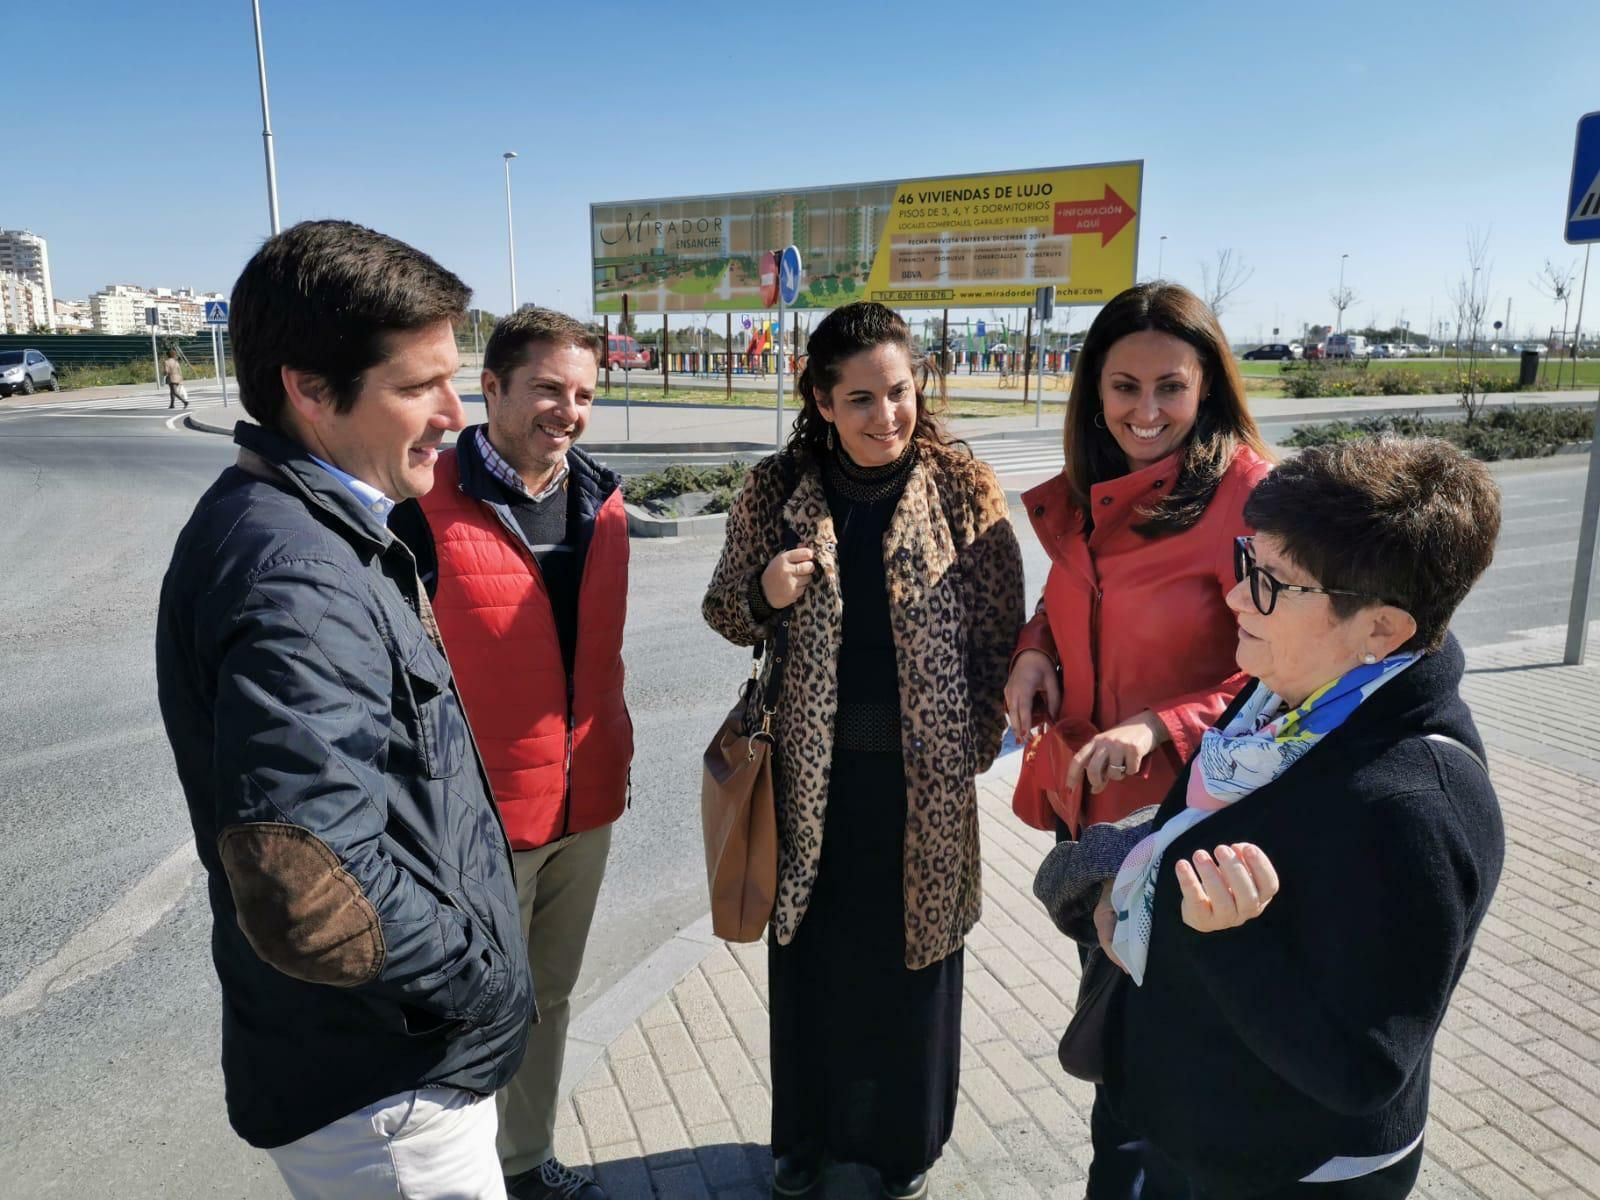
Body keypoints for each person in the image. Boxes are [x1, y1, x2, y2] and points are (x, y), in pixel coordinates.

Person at [155, 220, 532, 1200]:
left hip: (377, 1069)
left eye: (454, 377)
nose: (455, 412)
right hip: (389, 1100)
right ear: (309, 389)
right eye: (417, 387)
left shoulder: (310, 526)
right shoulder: (298, 576)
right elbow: (303, 882)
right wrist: (475, 982)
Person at [1033, 435, 1505, 1199]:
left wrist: (1228, 944)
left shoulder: (1415, 810)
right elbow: (1205, 829)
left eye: (1273, 583)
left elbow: (1364, 1070)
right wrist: (1119, 872)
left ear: (1382, 630)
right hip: (1197, 1120)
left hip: (1288, 1168)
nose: (1235, 596)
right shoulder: (1292, 697)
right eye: (1248, 559)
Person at [702, 301, 1025, 1200]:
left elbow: (1002, 633)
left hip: (921, 784)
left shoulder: (962, 486)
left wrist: (974, 746)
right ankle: (803, 1143)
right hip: (811, 781)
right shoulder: (776, 489)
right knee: (813, 961)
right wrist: (766, 590)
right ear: (820, 400)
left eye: (899, 392)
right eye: (861, 400)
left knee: (912, 961)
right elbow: (725, 612)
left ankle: (899, 1149)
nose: (887, 416)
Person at [1003, 281, 1273, 1196]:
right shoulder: (1096, 483)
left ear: (1209, 389)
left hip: (1189, 819)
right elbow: (1069, 595)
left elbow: (1282, 671)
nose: (1145, 411)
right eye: (1124, 387)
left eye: (1170, 387)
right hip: (1089, 815)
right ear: (1094, 389)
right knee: (1116, 1039)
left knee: (1156, 1060)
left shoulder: (1252, 499)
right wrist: (1035, 651)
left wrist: (1160, 724)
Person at [392, 308, 628, 1200]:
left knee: (550, 998)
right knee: (467, 1008)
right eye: (546, 389)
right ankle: (459, 1178)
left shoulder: (601, 501)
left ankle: (524, 1162)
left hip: (586, 802)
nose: (566, 410)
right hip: (476, 818)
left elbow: (599, 656)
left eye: (583, 395)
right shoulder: (423, 504)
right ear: (490, 389)